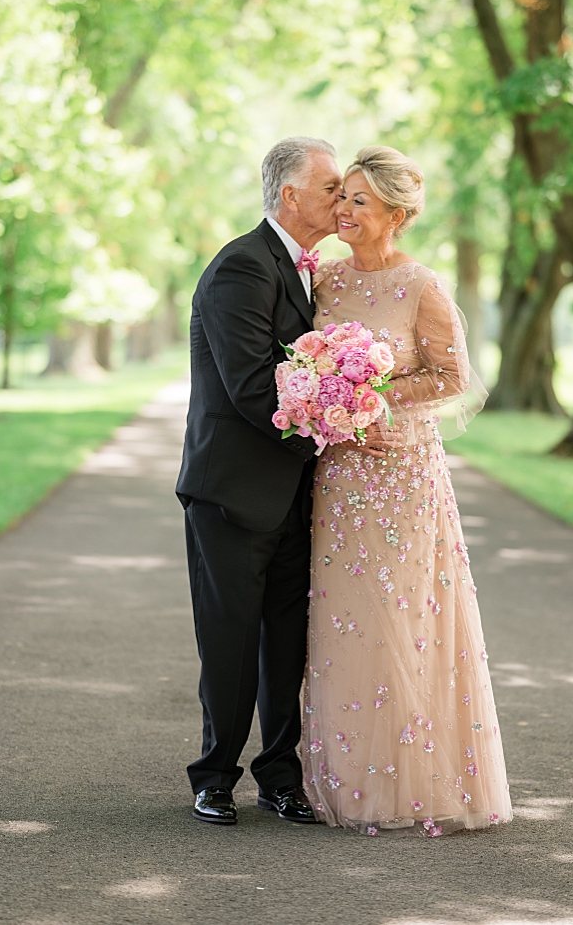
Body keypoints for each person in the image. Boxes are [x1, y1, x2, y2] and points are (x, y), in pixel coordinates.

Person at [301, 145, 510, 835]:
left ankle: (416, 780)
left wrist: (373, 397)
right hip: (340, 475)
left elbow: (452, 378)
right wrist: (329, 401)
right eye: (342, 199)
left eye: (359, 200)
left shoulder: (421, 285)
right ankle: (348, 778)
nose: (344, 210)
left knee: (403, 619)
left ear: (396, 213)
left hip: (401, 475)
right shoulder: (324, 281)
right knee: (344, 622)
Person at [175, 136, 343, 825]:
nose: (342, 197)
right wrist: (338, 418)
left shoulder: (309, 271)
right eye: (331, 186)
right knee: (231, 641)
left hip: (295, 494)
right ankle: (214, 775)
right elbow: (251, 387)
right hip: (233, 491)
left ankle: (280, 777)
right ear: (289, 196)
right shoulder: (242, 267)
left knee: (286, 643)